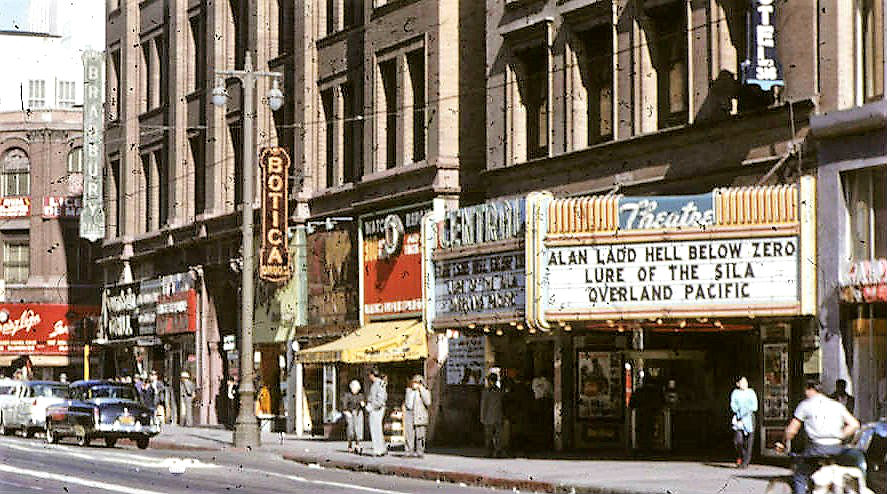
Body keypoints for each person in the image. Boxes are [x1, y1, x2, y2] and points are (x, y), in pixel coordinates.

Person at [777, 379, 860, 494]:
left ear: (810, 389)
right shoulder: (836, 405)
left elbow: (791, 430)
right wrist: (840, 435)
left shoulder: (805, 405)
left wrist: (783, 443)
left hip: (816, 449)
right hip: (836, 448)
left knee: (799, 476)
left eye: (805, 390)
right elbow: (854, 424)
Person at [730, 376, 758, 469]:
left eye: (745, 382)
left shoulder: (751, 392)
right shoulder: (735, 393)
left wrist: (745, 411)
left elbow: (754, 406)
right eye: (742, 382)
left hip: (749, 417)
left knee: (749, 441)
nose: (745, 384)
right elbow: (733, 405)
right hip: (739, 418)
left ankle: (746, 461)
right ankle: (740, 456)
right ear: (738, 384)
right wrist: (739, 412)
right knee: (738, 440)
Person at [403, 374, 432, 457]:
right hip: (410, 414)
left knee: (420, 435)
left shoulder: (425, 391)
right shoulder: (409, 390)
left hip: (420, 415)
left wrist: (421, 389)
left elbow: (428, 402)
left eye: (416, 382)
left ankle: (420, 451)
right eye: (414, 382)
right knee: (409, 434)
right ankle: (409, 451)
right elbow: (407, 403)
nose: (414, 384)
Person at [480, 372, 505, 458]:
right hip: (498, 416)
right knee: (497, 436)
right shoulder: (500, 391)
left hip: (488, 417)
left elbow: (484, 405)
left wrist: (482, 417)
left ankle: (489, 452)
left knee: (489, 436)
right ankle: (497, 452)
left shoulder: (486, 391)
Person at [365, 368, 388, 456]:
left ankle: (378, 450)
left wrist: (372, 406)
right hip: (376, 408)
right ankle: (381, 448)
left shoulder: (379, 384)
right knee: (377, 429)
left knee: (375, 429)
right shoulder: (377, 383)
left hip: (377, 409)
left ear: (372, 375)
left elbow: (381, 399)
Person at [342, 380, 365, 454]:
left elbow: (363, 404)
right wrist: (346, 411)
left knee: (358, 430)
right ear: (351, 388)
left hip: (358, 413)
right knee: (350, 429)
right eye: (354, 388)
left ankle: (357, 445)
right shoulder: (347, 395)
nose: (356, 390)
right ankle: (350, 445)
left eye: (357, 389)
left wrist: (363, 404)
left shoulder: (360, 395)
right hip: (350, 413)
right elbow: (344, 405)